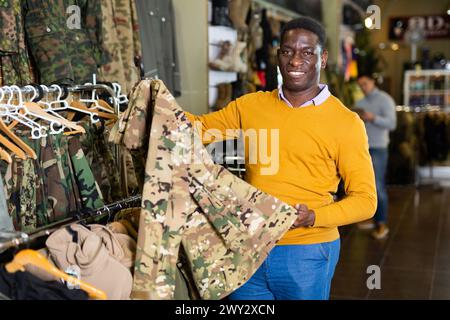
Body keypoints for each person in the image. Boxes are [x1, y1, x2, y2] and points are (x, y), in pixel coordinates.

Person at [185, 17, 376, 300]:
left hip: (307, 251)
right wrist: (156, 106)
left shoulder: (346, 123)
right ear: (278, 56)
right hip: (249, 246)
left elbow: (366, 201)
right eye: (287, 51)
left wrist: (314, 217)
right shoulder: (251, 106)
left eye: (306, 52)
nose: (295, 60)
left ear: (322, 58)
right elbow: (198, 129)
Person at [355, 74, 397, 240]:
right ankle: (372, 218)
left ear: (372, 82)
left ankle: (382, 223)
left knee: (378, 186)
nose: (362, 87)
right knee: (364, 186)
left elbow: (392, 124)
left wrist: (373, 118)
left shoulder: (385, 100)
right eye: (360, 85)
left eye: (365, 83)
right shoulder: (360, 103)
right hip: (362, 148)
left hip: (378, 148)